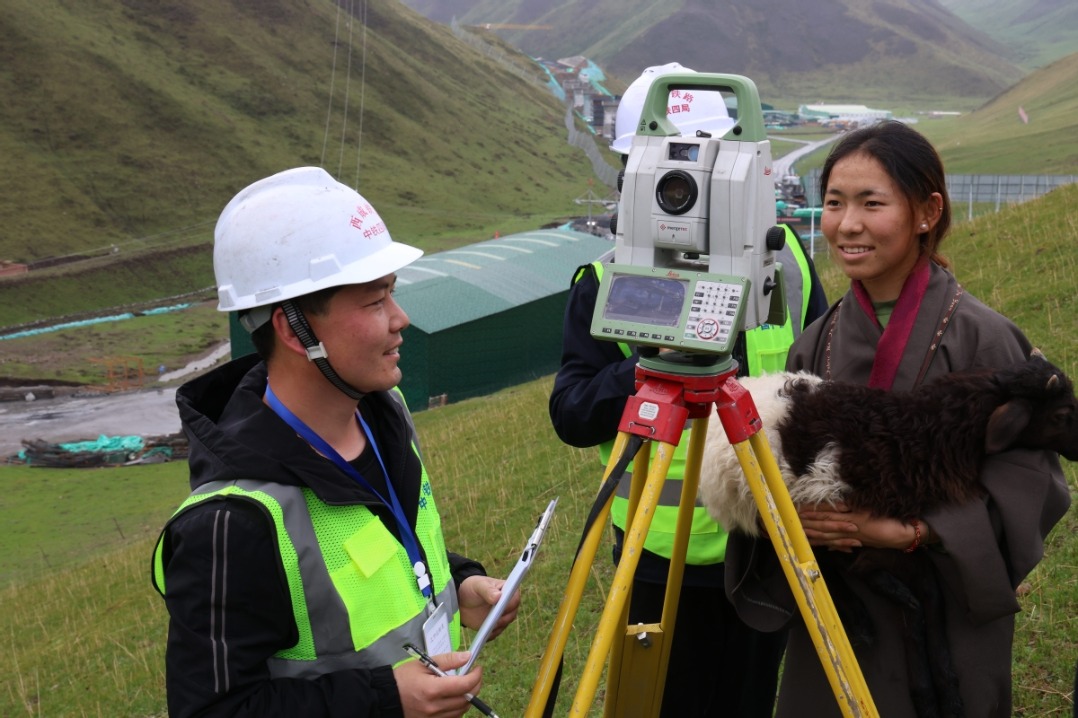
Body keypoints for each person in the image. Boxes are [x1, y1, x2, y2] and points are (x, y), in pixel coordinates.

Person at [724, 120, 1072, 717]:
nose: (847, 224)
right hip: (838, 606)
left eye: (871, 203)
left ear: (926, 211)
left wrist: (913, 531)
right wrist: (794, 521)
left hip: (945, 604)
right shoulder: (815, 343)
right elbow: (775, 471)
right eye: (834, 203)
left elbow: (1031, 484)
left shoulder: (983, 338)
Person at [150, 167, 520, 718]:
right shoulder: (232, 524)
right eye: (374, 302)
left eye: (391, 294)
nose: (401, 320)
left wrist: (458, 583)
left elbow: (380, 553)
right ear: (293, 329)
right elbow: (213, 709)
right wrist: (384, 699)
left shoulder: (383, 415)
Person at [549, 64, 830, 717]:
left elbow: (824, 379)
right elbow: (572, 412)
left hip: (764, 544)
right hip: (653, 554)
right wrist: (653, 361)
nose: (682, 196)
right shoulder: (604, 278)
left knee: (749, 702)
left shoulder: (782, 257)